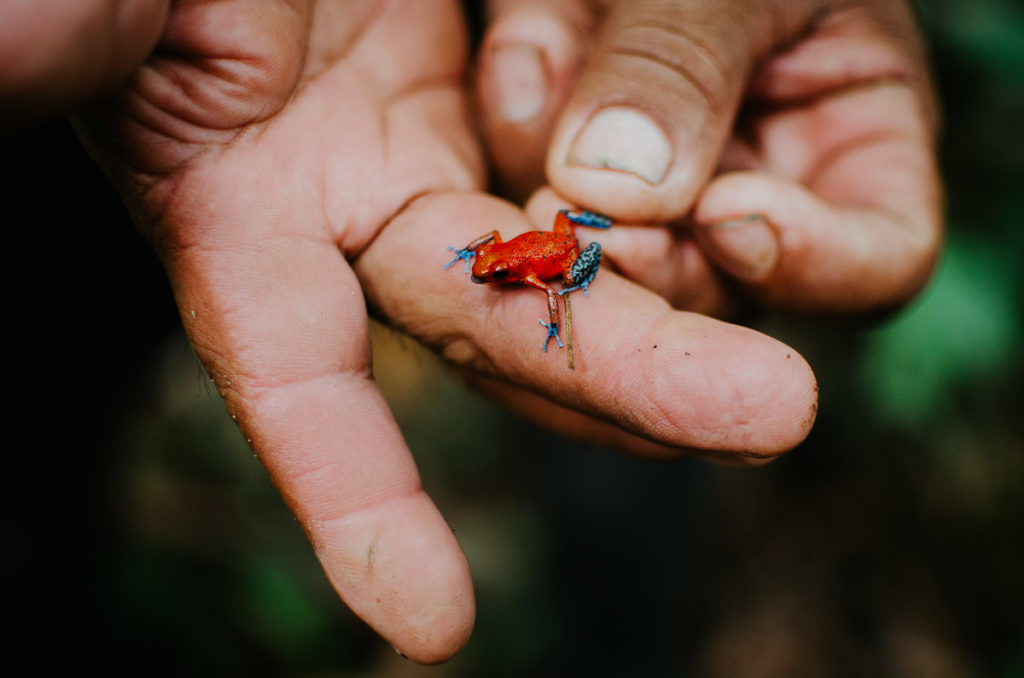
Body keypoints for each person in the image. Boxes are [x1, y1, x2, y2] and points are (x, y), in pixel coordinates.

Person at [1, 0, 940, 663]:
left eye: (489, 271)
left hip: (555, 223)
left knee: (609, 385)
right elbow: (495, 252)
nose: (487, 272)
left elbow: (552, 279)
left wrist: (554, 299)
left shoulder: (532, 269)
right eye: (487, 270)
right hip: (95, 186)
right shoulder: (499, 257)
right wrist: (479, 261)